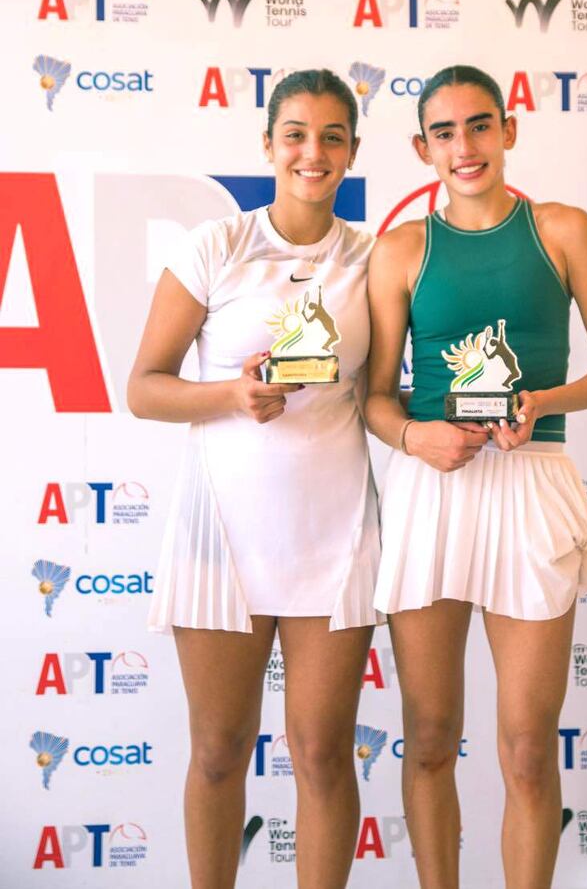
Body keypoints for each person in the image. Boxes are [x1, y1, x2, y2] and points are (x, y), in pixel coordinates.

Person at [365, 65, 587, 889]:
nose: (465, 146)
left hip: (532, 481)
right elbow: (375, 397)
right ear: (422, 148)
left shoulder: (563, 229)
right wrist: (415, 437)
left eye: (480, 125)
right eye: (444, 132)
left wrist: (543, 400)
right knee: (429, 735)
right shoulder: (401, 249)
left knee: (526, 745)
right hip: (433, 489)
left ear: (509, 130)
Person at [127, 69, 379, 889]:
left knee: (323, 753)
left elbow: (385, 393)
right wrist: (231, 395)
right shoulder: (217, 245)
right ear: (268, 143)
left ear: (352, 150)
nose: (313, 152)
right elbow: (144, 387)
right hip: (221, 536)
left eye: (332, 136)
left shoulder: (372, 258)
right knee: (218, 749)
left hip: (335, 533)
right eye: (296, 134)